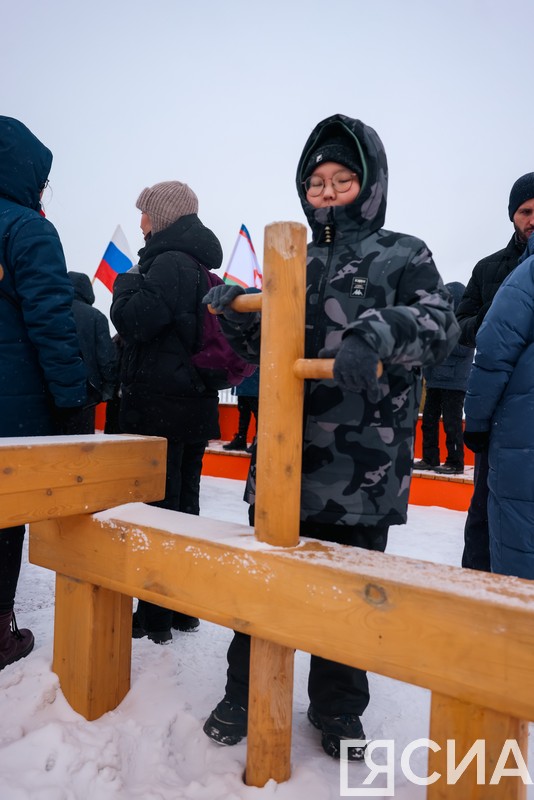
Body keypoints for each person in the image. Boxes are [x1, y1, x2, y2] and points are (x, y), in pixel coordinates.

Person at [201, 113, 460, 760]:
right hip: (286, 464)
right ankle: (242, 691)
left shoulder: (405, 252)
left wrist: (375, 332)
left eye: (343, 179)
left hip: (364, 470)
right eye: (316, 180)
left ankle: (339, 710)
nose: (327, 190)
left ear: (369, 185)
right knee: (265, 587)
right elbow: (263, 346)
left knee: (348, 602)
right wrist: (234, 315)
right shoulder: (292, 258)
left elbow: (438, 322)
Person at [110, 180, 224, 643]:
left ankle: (155, 616)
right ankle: (179, 609)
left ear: (164, 217)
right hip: (189, 405)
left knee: (160, 511)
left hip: (162, 407)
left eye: (145, 214)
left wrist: (124, 284)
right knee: (183, 508)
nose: (140, 222)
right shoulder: (191, 262)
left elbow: (136, 321)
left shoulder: (170, 262)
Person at [0, 116, 87, 669]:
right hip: (15, 409)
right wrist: (73, 403)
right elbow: (53, 324)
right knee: (6, 519)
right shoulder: (28, 229)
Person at [456, 172, 534, 570]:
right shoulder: (490, 268)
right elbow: (460, 323)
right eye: (526, 211)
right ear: (512, 216)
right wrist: (494, 318)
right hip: (495, 412)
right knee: (486, 510)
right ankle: (474, 593)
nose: (533, 218)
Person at [414, 282, 474, 474]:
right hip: (434, 379)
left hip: (455, 383)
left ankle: (455, 462)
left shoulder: (466, 323)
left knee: (452, 424)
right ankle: (430, 458)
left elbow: (463, 350)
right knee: (429, 422)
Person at [65, 271, 118, 434]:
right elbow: (106, 357)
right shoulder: (95, 317)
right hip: (86, 394)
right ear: (88, 291)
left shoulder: (50, 311)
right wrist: (108, 388)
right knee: (82, 449)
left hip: (51, 391)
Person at [222, 367, 259, 452]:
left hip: (251, 372)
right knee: (243, 408)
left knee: (256, 410)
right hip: (244, 373)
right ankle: (241, 438)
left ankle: (257, 441)